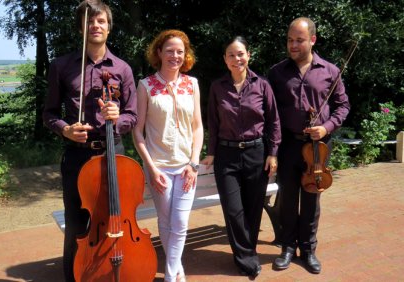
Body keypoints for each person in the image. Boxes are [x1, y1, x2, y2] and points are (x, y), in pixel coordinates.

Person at [42, 1, 138, 281]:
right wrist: (65, 129)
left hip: (112, 151)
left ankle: (110, 273)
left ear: (109, 27)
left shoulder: (122, 68)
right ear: (81, 27)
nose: (95, 26)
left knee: (114, 218)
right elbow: (48, 113)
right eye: (89, 21)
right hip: (77, 154)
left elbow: (132, 114)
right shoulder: (61, 66)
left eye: (100, 21)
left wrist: (117, 118)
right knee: (76, 224)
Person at [268, 17, 350, 274]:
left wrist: (326, 127)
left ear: (312, 40)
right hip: (289, 145)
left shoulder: (330, 71)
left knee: (312, 199)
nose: (293, 45)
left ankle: (308, 249)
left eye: (299, 40)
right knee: (288, 199)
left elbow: (343, 106)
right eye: (290, 40)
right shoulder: (277, 72)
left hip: (318, 147)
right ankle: (288, 248)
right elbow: (271, 113)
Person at [201, 36, 281, 278]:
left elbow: (274, 121)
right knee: (234, 210)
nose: (237, 59)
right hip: (226, 155)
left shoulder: (262, 85)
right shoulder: (217, 87)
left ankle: (247, 254)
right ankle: (247, 259)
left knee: (253, 209)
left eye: (241, 54)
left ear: (249, 55)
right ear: (225, 60)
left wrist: (273, 154)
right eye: (231, 55)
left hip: (256, 153)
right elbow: (213, 124)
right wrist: (212, 152)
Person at [132, 29, 203, 282]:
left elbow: (197, 127)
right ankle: (176, 270)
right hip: (158, 168)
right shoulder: (145, 85)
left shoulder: (191, 84)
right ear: (159, 52)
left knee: (180, 222)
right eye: (170, 50)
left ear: (186, 56)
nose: (175, 56)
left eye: (180, 52)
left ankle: (171, 275)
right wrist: (151, 168)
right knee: (165, 221)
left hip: (186, 167)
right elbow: (137, 132)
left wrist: (194, 164)